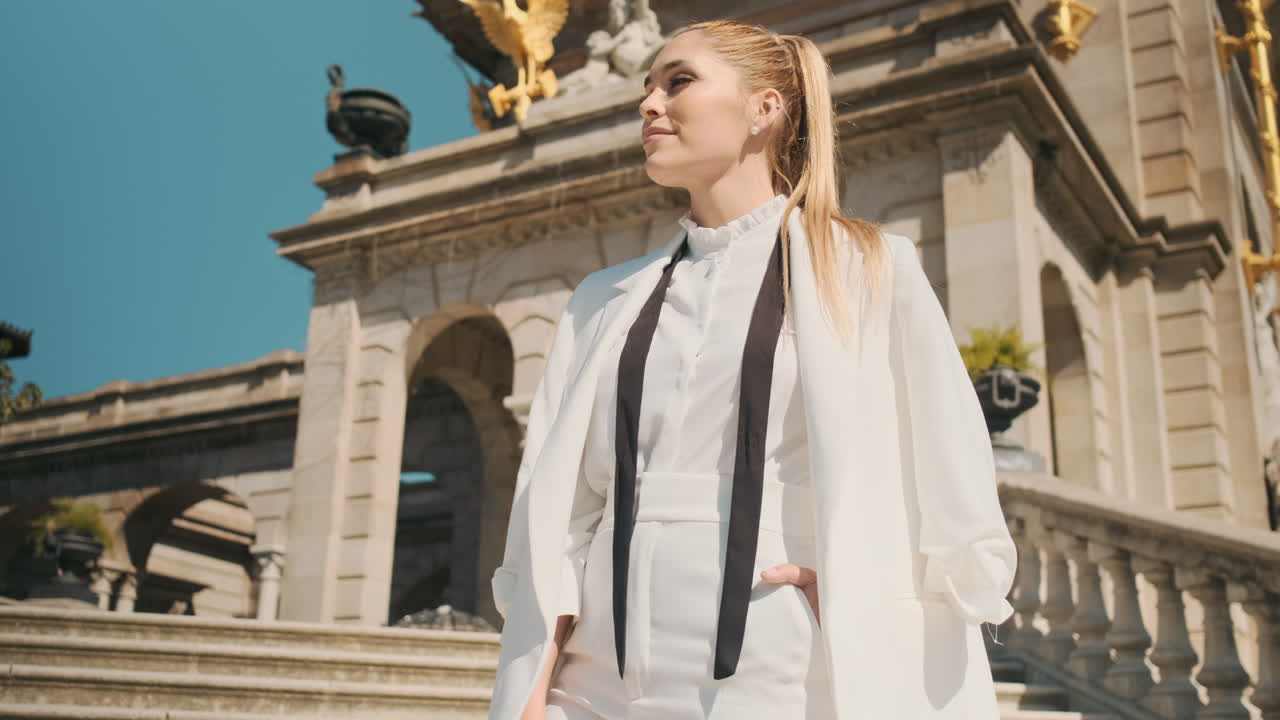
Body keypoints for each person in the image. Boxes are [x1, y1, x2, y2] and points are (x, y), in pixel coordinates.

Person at [487, 19, 1017, 720]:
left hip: (774, 672)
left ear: (765, 109)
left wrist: (853, 597)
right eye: (647, 87)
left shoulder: (865, 268)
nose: (648, 104)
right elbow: (561, 512)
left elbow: (952, 481)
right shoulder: (601, 302)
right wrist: (534, 686)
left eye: (678, 82)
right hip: (594, 683)